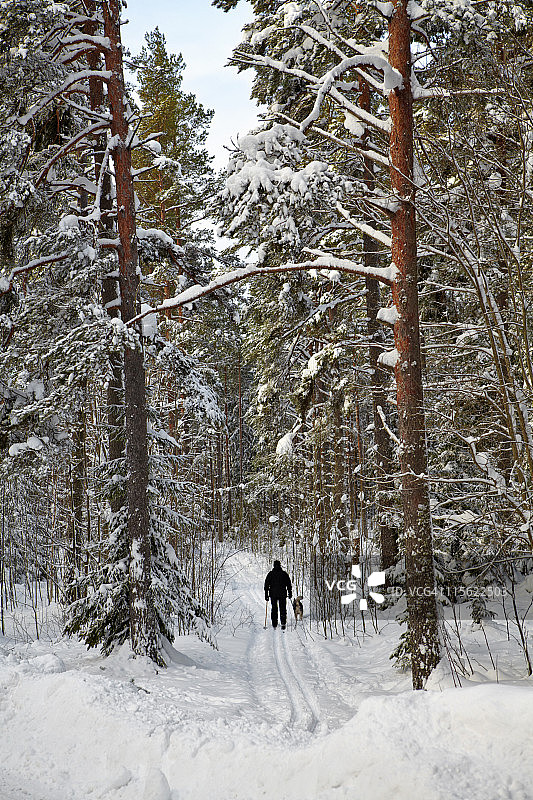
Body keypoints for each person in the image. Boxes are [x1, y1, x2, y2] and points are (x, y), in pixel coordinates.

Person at [264, 560, 292, 630]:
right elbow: (288, 584)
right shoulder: (284, 574)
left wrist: (266, 595)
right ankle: (283, 623)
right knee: (282, 609)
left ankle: (274, 624)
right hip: (282, 594)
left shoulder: (270, 574)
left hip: (273, 594)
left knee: (274, 609)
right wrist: (290, 592)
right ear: (280, 565)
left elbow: (266, 585)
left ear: (273, 565)